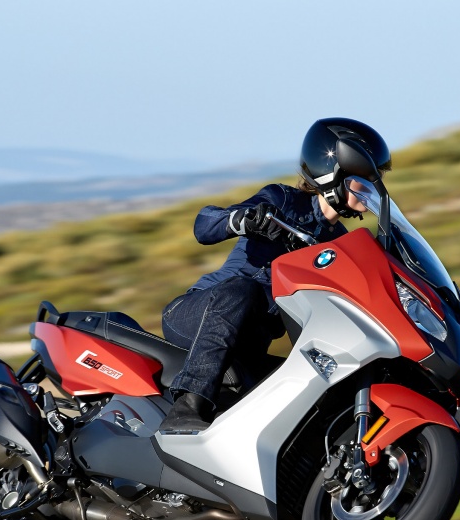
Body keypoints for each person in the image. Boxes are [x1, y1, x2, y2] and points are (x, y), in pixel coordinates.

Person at [157, 117, 392, 433]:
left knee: (314, 389)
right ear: (333, 175)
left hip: (249, 345)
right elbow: (204, 224)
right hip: (197, 316)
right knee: (243, 290)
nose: (372, 189)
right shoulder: (282, 200)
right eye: (363, 180)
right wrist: (243, 220)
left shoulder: (339, 243)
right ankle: (187, 407)